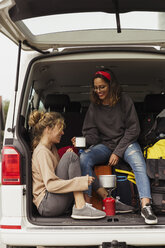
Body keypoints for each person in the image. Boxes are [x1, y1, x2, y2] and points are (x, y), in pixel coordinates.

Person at [78, 69, 158, 225]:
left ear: (111, 85)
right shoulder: (94, 106)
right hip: (105, 145)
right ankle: (86, 205)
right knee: (84, 158)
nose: (98, 91)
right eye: (96, 87)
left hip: (126, 143)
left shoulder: (124, 100)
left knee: (138, 161)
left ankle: (146, 206)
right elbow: (92, 134)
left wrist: (118, 152)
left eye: (102, 87)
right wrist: (83, 141)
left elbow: (133, 129)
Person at [29, 110, 106, 220]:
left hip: (54, 201)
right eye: (59, 128)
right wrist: (80, 182)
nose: (63, 133)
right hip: (47, 204)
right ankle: (80, 206)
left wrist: (69, 157)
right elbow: (50, 185)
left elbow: (61, 172)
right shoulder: (42, 152)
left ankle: (107, 198)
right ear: (48, 129)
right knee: (71, 157)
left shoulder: (52, 148)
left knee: (77, 159)